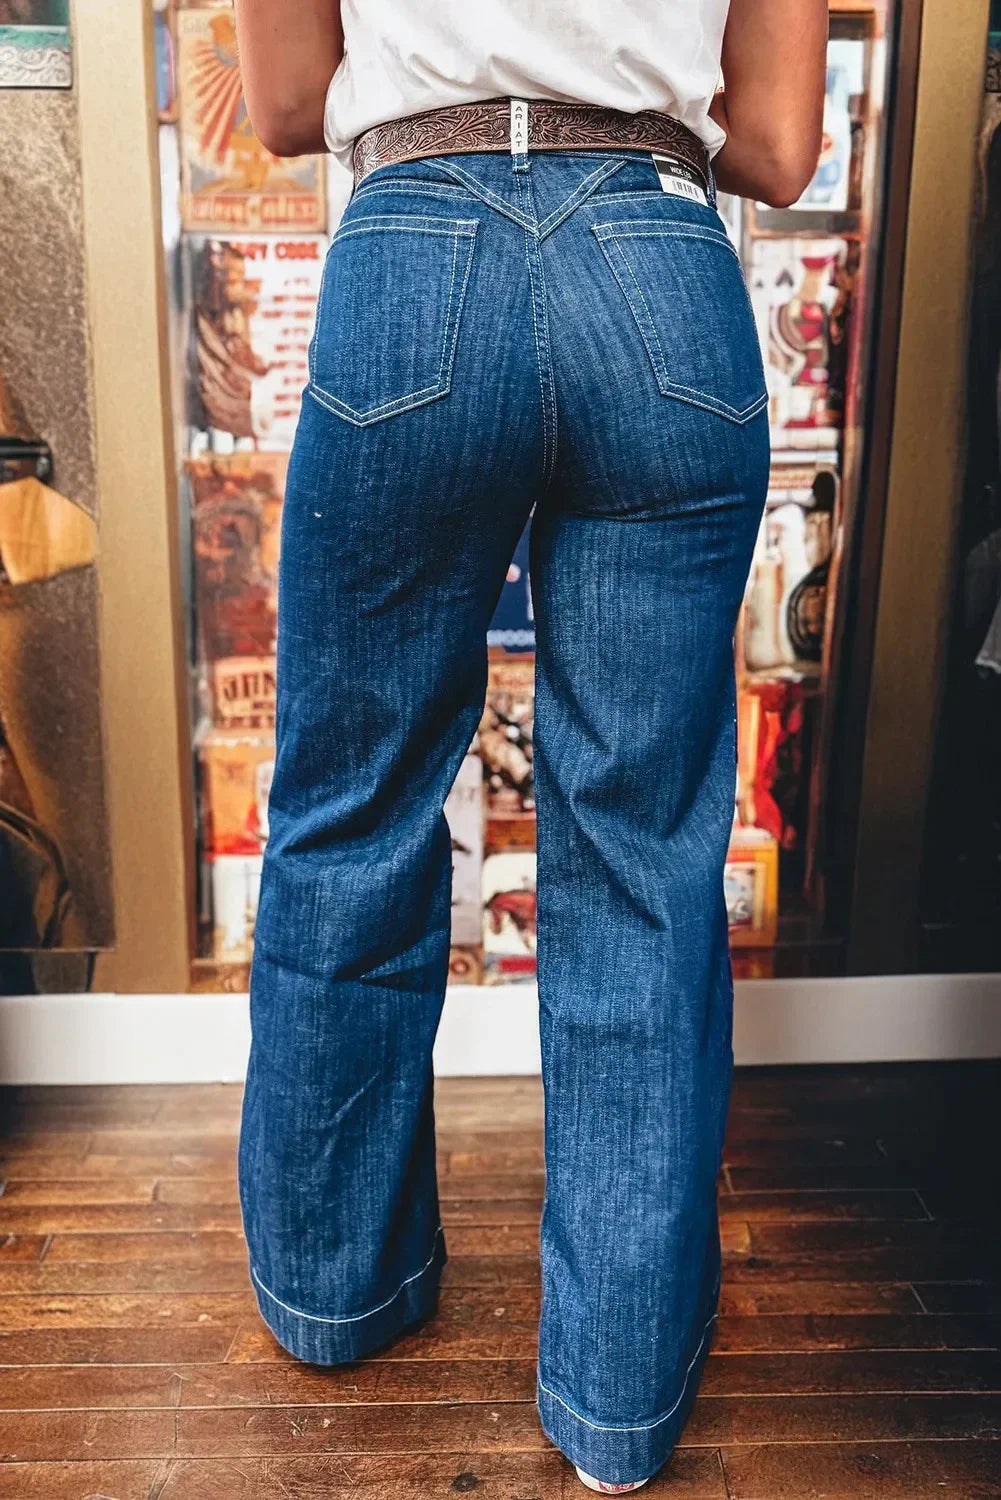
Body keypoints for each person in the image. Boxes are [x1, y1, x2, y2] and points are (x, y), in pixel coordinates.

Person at [233, 1, 826, 1491]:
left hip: (414, 253)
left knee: (351, 809)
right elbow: (774, 144)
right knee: (640, 854)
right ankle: (617, 1393)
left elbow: (287, 104)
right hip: (659, 267)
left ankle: (336, 1293)